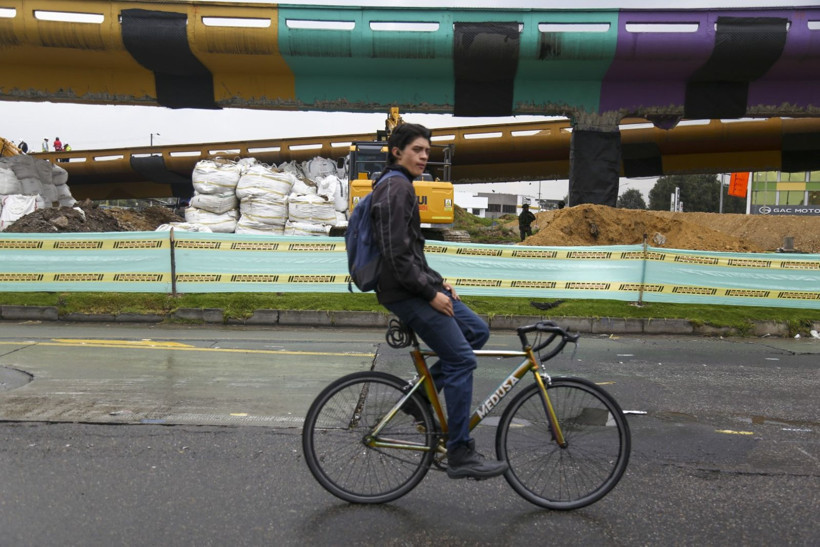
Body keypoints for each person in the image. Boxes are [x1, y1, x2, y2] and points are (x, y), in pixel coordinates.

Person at [369, 123, 508, 480]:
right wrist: (431, 294)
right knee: (462, 360)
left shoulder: (402, 186)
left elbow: (410, 253)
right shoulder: (394, 189)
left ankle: (419, 402)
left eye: (427, 151)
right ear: (397, 151)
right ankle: (461, 452)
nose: (424, 155)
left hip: (413, 284)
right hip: (402, 292)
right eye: (417, 149)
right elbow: (396, 258)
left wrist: (437, 282)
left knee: (476, 332)